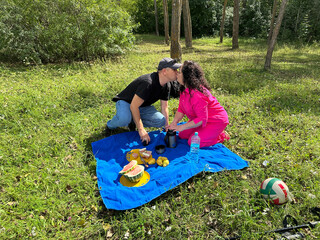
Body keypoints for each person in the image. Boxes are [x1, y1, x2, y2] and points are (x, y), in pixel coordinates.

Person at [106, 57, 182, 145]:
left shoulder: (166, 85)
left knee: (161, 120)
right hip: (126, 102)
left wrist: (167, 126)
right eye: (174, 70)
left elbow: (164, 107)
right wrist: (141, 130)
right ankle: (110, 125)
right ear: (164, 71)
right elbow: (133, 106)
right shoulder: (148, 83)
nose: (177, 72)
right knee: (124, 118)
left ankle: (133, 122)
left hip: (142, 106)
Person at [167, 60, 230, 147]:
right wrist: (174, 123)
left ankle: (220, 135)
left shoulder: (197, 95)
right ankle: (209, 132)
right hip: (201, 119)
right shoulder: (184, 89)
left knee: (192, 142)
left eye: (180, 72)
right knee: (182, 135)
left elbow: (201, 119)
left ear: (187, 77)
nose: (177, 73)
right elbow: (181, 108)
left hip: (216, 120)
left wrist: (181, 127)